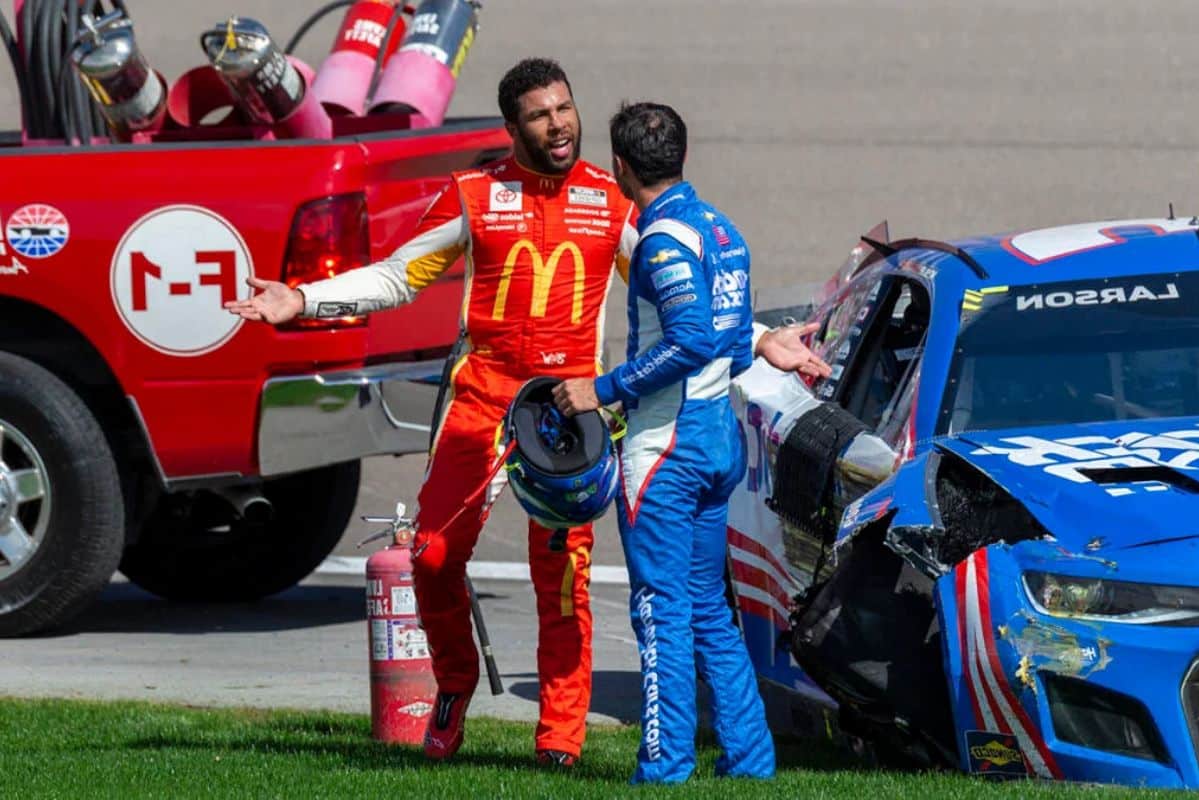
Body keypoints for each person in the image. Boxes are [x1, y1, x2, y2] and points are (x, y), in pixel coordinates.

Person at [226, 60, 823, 768]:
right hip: (481, 401)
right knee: (432, 557)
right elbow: (397, 275)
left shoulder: (613, 200)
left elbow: (685, 300)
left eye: (565, 108)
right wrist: (304, 299)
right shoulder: (474, 194)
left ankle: (559, 742)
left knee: (563, 583)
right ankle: (455, 683)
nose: (560, 125)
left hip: (570, 416)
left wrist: (760, 339)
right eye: (541, 115)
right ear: (513, 128)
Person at [553, 102, 829, 784]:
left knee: (659, 610)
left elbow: (692, 340)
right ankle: (751, 761)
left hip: (667, 451)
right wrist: (766, 341)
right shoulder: (722, 231)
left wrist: (603, 388)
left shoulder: (662, 239)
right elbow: (731, 344)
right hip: (715, 441)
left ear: (620, 168)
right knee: (706, 605)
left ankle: (665, 767)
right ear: (682, 154)